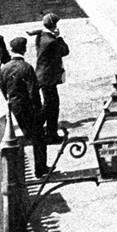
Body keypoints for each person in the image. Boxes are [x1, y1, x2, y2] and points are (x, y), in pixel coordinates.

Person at [0, 36, 47, 177]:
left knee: (14, 139)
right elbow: (33, 92)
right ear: (24, 50)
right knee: (38, 138)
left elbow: (1, 89)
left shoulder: (5, 68)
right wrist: (38, 111)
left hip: (12, 108)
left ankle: (14, 174)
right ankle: (40, 169)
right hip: (27, 108)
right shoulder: (27, 68)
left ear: (11, 50)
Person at [31, 12, 69, 143]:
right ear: (53, 26)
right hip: (48, 78)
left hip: (43, 76)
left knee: (49, 105)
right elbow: (65, 51)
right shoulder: (52, 41)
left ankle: (47, 131)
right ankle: (49, 133)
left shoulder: (41, 37)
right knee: (51, 106)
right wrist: (59, 37)